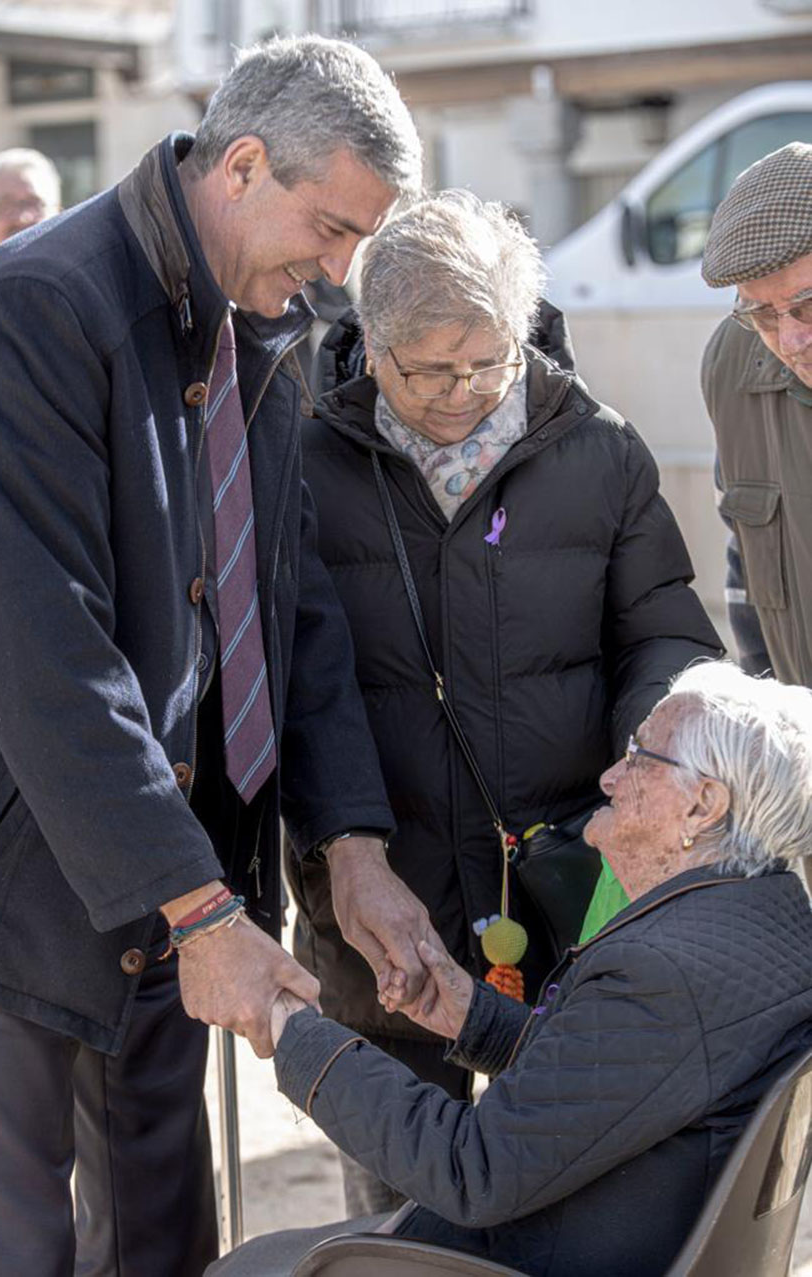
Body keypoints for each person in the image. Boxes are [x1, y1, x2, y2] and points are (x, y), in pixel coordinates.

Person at [0, 35, 433, 1277]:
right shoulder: (35, 306)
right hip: (19, 895)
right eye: (330, 229)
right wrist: (200, 905)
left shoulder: (266, 320)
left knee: (166, 1243)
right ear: (238, 164)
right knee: (14, 1248)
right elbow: (44, 645)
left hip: (184, 892)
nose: (340, 273)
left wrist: (353, 854)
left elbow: (292, 611)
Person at [286, 190, 722, 1215]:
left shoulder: (598, 450)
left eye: (486, 361)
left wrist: (652, 756)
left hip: (571, 886)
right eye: (425, 368)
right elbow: (294, 683)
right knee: (404, 1214)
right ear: (370, 342)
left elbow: (662, 626)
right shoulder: (303, 456)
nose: (459, 392)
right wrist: (340, 848)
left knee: (579, 1189)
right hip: (380, 896)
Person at [213, 661, 812, 1277]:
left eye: (638, 759)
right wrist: (478, 1020)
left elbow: (471, 1172)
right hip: (620, 1239)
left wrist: (293, 1030)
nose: (609, 776)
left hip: (543, 1258)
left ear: (702, 806)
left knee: (244, 1269)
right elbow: (622, 1080)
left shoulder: (664, 971)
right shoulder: (772, 918)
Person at [701, 141, 812, 683]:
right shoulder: (732, 362)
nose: (791, 339)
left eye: (808, 304)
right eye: (763, 314)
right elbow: (744, 566)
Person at [0, 146, 61, 260]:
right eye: (6, 206)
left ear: (59, 214)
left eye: (35, 204)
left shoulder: (82, 276)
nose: (23, 218)